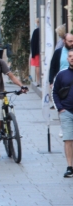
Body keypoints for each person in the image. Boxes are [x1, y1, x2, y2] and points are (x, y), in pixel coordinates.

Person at [52, 48, 73, 177]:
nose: (72, 58)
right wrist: (60, 108)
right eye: (70, 56)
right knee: (68, 140)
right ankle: (69, 166)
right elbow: (55, 92)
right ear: (67, 59)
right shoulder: (61, 74)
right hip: (66, 111)